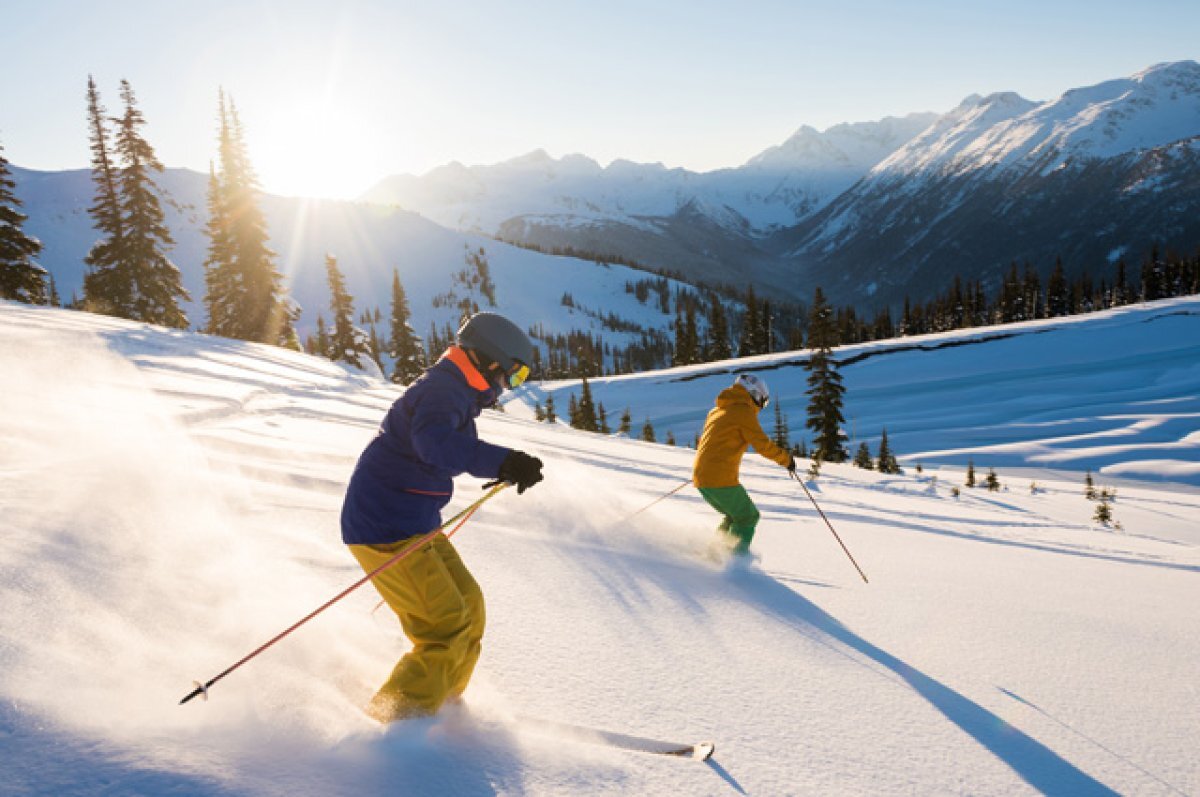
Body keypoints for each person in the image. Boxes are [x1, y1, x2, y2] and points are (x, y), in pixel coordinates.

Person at [340, 312, 544, 722]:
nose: (509, 386)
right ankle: (396, 722)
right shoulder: (442, 392)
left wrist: (504, 463)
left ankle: (442, 701)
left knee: (469, 605)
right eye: (514, 375)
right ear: (489, 361)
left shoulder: (456, 392)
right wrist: (504, 461)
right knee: (444, 627)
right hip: (384, 528)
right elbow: (435, 444)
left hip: (411, 523)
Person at [693, 373, 795, 559]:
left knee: (734, 516)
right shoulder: (743, 412)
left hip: (703, 476)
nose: (761, 407)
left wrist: (706, 467)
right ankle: (735, 563)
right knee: (748, 517)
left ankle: (714, 556)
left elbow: (709, 441)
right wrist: (786, 460)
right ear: (755, 395)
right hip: (718, 477)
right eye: (763, 402)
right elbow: (762, 444)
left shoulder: (717, 410)